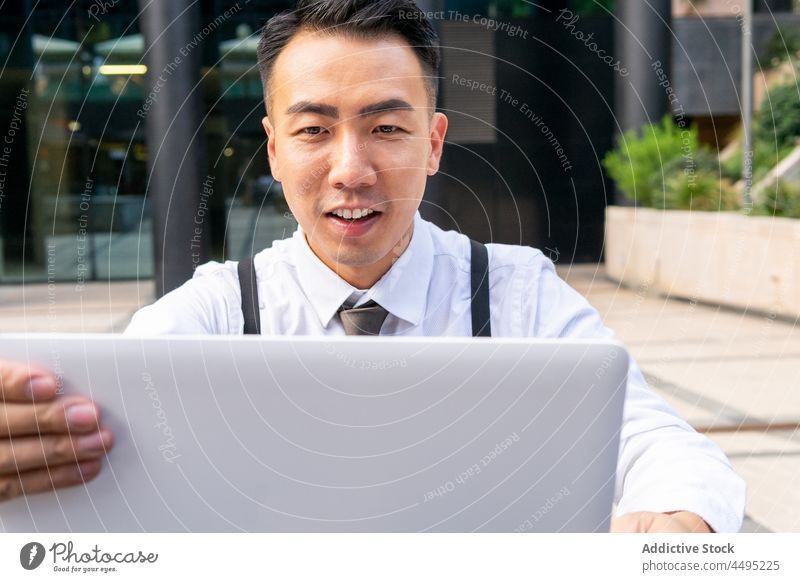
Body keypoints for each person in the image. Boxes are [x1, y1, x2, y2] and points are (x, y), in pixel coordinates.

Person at [0, 0, 745, 533]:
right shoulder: (215, 314)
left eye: (387, 127)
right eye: (314, 129)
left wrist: (675, 515)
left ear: (433, 143)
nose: (351, 170)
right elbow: (94, 435)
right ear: (274, 148)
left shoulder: (517, 294)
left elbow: (656, 441)